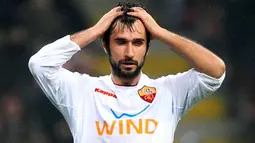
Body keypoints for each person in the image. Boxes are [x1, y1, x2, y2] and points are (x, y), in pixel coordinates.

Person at [28, 2, 226, 143]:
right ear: (106, 46)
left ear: (147, 48)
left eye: (138, 43)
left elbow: (215, 71)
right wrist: (95, 31)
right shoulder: (82, 91)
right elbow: (40, 64)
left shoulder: (168, 91)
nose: (130, 53)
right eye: (121, 42)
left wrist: (160, 33)